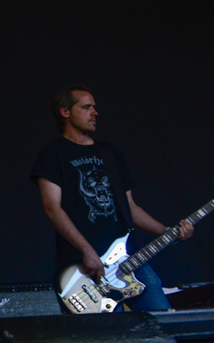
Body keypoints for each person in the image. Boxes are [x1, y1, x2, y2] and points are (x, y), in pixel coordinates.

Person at [31, 86, 193, 311]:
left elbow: (130, 207)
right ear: (65, 112)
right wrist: (87, 250)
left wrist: (167, 232)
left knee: (162, 327)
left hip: (129, 257)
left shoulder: (109, 153)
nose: (95, 113)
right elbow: (53, 208)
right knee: (107, 341)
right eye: (87, 107)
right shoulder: (53, 155)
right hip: (83, 267)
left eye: (95, 107)